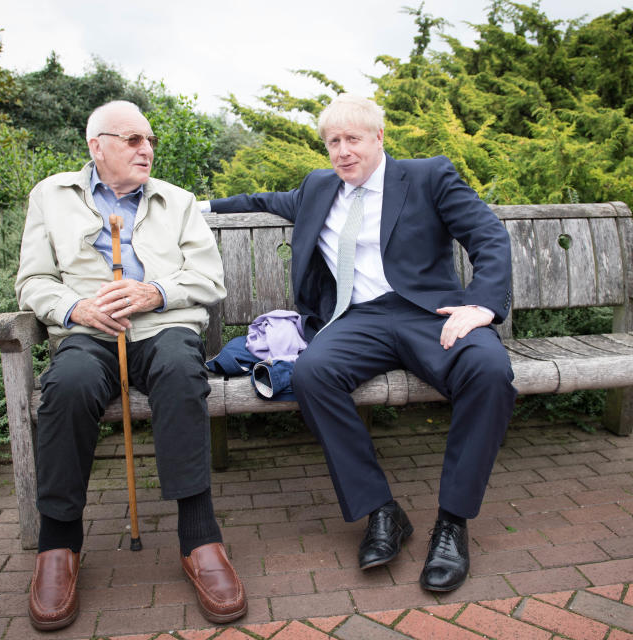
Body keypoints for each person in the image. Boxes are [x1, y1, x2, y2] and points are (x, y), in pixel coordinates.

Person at [202, 94, 516, 592]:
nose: (343, 151)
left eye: (353, 139)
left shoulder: (428, 176)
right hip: (357, 319)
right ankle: (380, 511)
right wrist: (189, 208)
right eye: (333, 142)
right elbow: (260, 202)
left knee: (490, 371)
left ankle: (452, 525)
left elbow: (488, 236)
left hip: (427, 313)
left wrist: (482, 305)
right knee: (311, 373)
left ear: (379, 138)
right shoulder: (318, 187)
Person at [16, 100, 246, 630]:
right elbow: (33, 280)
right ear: (97, 146)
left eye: (150, 141)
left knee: (181, 375)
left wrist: (155, 292)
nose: (147, 149)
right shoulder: (51, 196)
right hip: (89, 331)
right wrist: (76, 308)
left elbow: (210, 279)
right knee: (67, 385)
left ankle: (199, 539)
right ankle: (58, 544)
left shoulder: (178, 201)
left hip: (164, 326)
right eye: (133, 140)